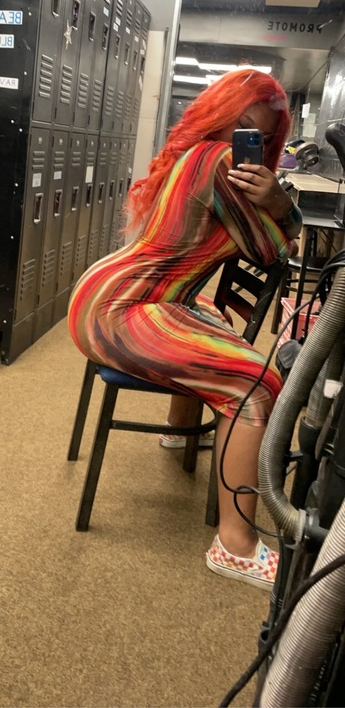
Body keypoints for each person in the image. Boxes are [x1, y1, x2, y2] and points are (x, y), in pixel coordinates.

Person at [68, 68, 302, 590]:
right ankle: (235, 546)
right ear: (220, 117)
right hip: (121, 309)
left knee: (210, 321)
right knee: (256, 384)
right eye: (242, 127)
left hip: (118, 294)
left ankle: (179, 430)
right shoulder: (219, 163)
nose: (250, 143)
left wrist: (269, 206)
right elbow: (272, 249)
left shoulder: (194, 153)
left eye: (262, 138)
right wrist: (281, 205)